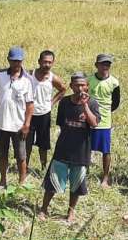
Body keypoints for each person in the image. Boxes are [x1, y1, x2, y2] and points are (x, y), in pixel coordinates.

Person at [38, 73, 100, 224]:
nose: (80, 88)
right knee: (52, 181)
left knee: (76, 184)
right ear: (71, 86)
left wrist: (85, 106)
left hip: (81, 150)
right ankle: (44, 208)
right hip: (63, 148)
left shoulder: (92, 103)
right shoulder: (65, 102)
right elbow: (61, 124)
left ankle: (71, 212)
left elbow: (94, 123)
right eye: (76, 85)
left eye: (82, 85)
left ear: (87, 86)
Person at [0, 46, 34, 186]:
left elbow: (30, 105)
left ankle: (22, 181)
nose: (16, 64)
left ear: (22, 61)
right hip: (1, 123)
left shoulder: (27, 80)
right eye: (13, 60)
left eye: (19, 61)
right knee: (2, 155)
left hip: (18, 125)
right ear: (8, 60)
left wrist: (27, 124)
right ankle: (3, 180)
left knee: (21, 156)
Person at [26, 50, 67, 170]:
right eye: (44, 62)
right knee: (27, 142)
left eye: (49, 62)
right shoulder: (30, 75)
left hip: (44, 114)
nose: (47, 65)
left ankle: (43, 168)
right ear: (39, 61)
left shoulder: (53, 78)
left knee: (43, 144)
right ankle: (24, 167)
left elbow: (63, 90)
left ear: (53, 63)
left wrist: (51, 103)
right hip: (29, 114)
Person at [87, 54, 121, 188]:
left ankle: (105, 178)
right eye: (102, 64)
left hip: (105, 121)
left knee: (106, 150)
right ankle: (84, 172)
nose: (105, 67)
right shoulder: (89, 80)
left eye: (107, 65)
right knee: (86, 148)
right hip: (89, 119)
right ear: (96, 65)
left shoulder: (114, 83)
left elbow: (116, 102)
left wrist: (104, 112)